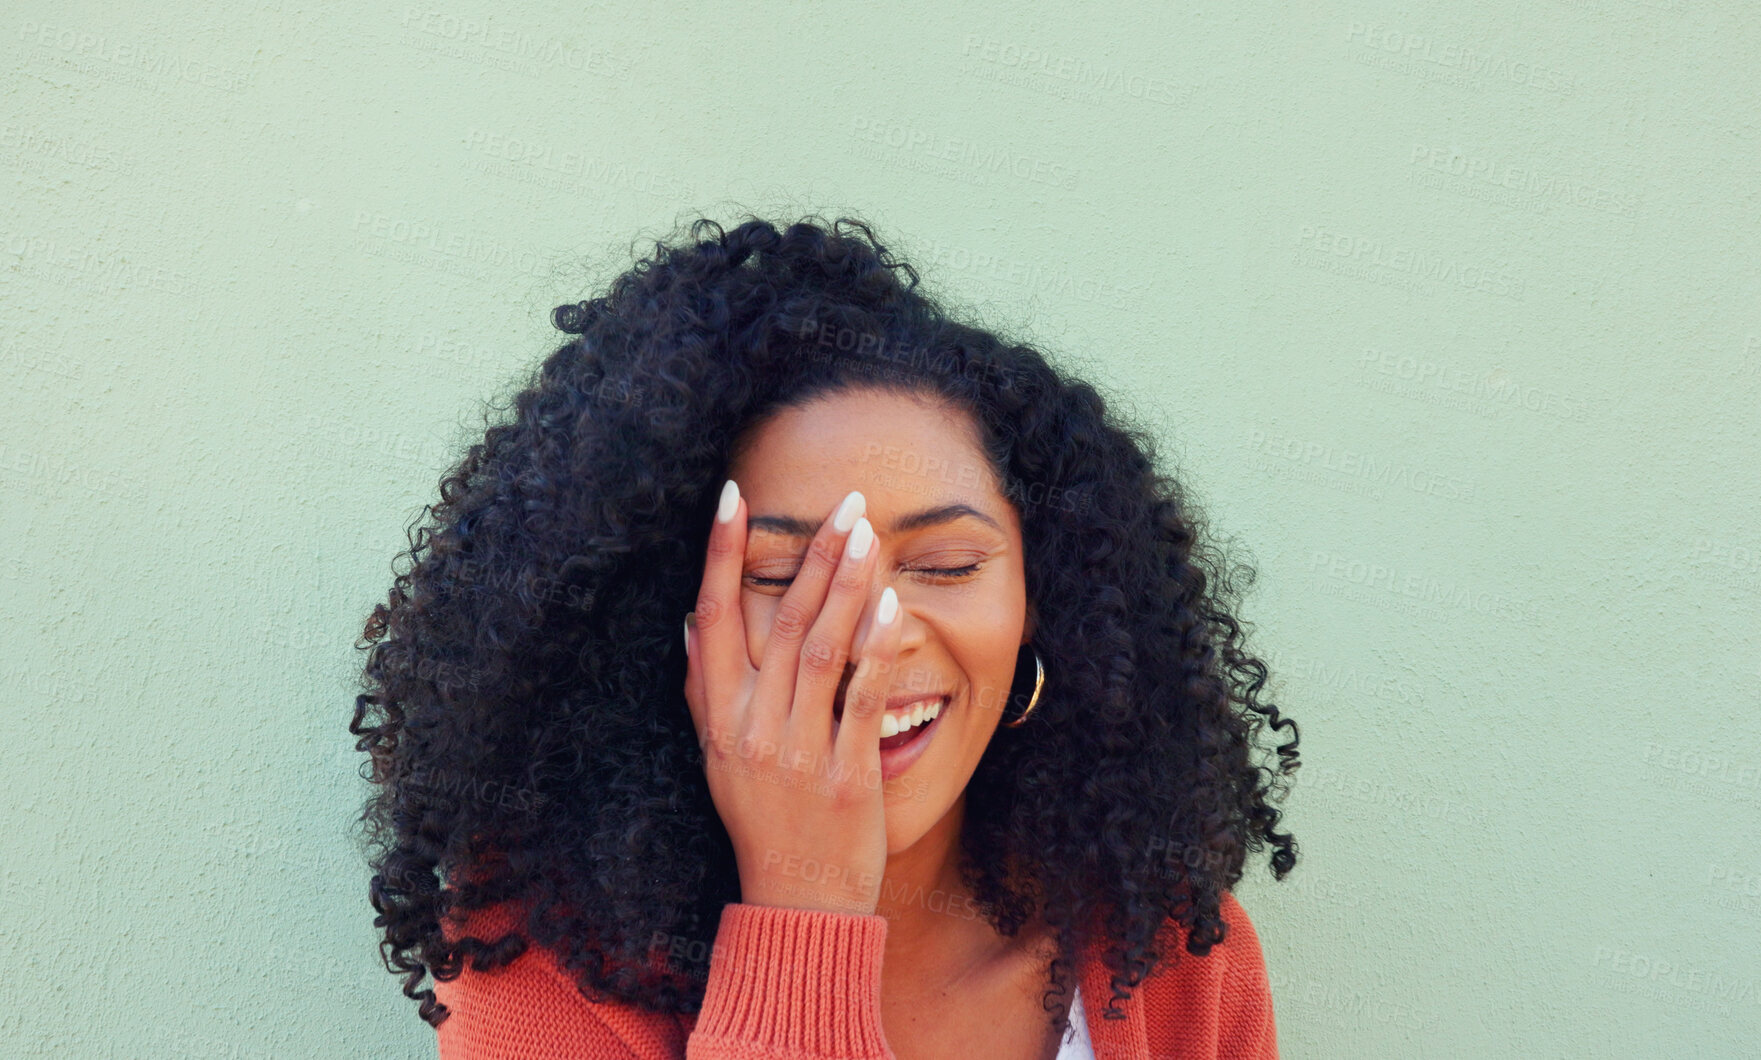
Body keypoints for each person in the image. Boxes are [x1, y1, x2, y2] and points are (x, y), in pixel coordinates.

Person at [351, 214, 1302, 1058]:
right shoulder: (542, 972)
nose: (869, 638)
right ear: (663, 622)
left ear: (1041, 600)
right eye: (778, 577)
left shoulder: (1170, 950)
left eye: (945, 566)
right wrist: (801, 920)